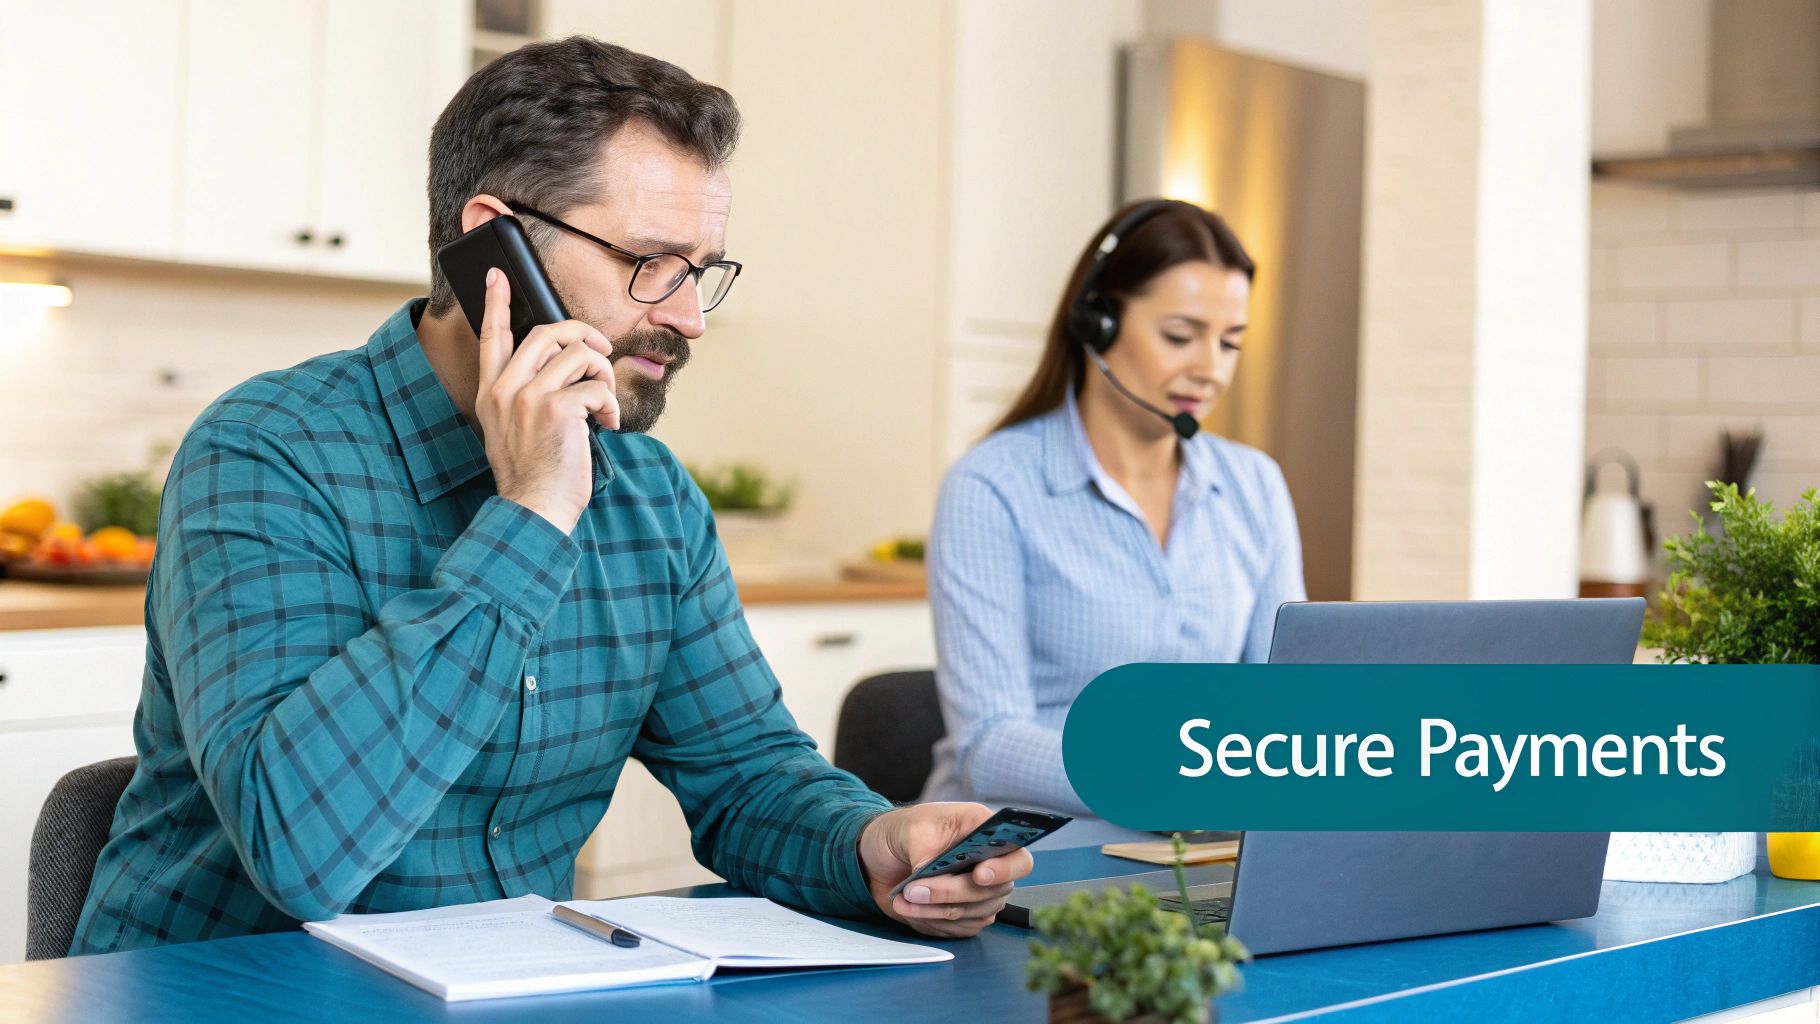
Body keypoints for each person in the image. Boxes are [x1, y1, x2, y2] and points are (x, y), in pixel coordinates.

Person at [71, 37, 1026, 956]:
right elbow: (301, 850)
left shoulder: (649, 494)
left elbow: (746, 778)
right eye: (651, 264)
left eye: (703, 274)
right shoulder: (268, 453)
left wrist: (874, 845)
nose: (688, 316)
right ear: (495, 246)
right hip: (218, 988)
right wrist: (530, 512)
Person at [920, 199, 1306, 817]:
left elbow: (1284, 705)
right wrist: (1172, 784)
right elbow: (987, 743)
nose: (1210, 369)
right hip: (1027, 848)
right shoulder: (992, 486)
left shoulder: (1255, 485)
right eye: (1180, 336)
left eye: (1230, 343)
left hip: (1197, 846)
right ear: (1097, 324)